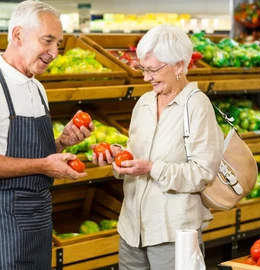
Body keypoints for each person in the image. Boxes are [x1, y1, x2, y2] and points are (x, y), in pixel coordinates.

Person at [0, 1, 93, 269]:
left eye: (59, 43)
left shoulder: (37, 88)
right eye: (48, 41)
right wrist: (44, 165)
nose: (55, 52)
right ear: (18, 35)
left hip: (37, 219)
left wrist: (60, 143)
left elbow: (26, 153)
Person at [93, 24, 224, 270]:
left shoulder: (196, 106)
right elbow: (135, 155)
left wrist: (152, 168)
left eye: (153, 69)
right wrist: (117, 158)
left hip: (172, 232)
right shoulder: (143, 103)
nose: (145, 77)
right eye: (143, 68)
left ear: (178, 65)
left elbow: (203, 173)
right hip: (132, 228)